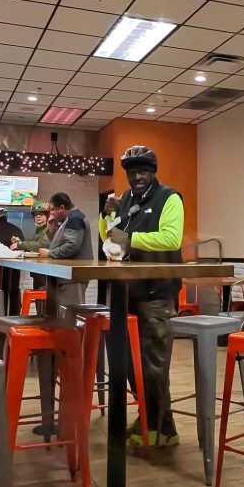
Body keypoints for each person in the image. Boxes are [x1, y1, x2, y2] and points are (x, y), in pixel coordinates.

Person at [99, 145, 184, 448]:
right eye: (131, 171)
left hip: (157, 293)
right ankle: (154, 421)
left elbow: (172, 238)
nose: (136, 176)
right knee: (133, 363)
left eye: (143, 171)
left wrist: (131, 238)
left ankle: (160, 429)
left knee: (152, 363)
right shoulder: (125, 200)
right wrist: (106, 217)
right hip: (129, 292)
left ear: (153, 172)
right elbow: (112, 239)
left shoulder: (169, 197)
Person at [12, 192, 93, 306]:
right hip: (67, 276)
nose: (52, 213)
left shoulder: (75, 219)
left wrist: (50, 253)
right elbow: (59, 242)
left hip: (74, 276)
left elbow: (71, 246)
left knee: (71, 311)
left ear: (61, 208)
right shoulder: (69, 219)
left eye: (53, 210)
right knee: (63, 311)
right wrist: (51, 230)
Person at [11, 201, 51, 289]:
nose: (38, 216)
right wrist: (20, 241)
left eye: (41, 214)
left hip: (46, 271)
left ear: (47, 215)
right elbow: (32, 245)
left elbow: (43, 245)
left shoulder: (49, 228)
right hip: (38, 269)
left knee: (42, 297)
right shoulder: (38, 229)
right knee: (38, 296)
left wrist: (21, 244)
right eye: (35, 214)